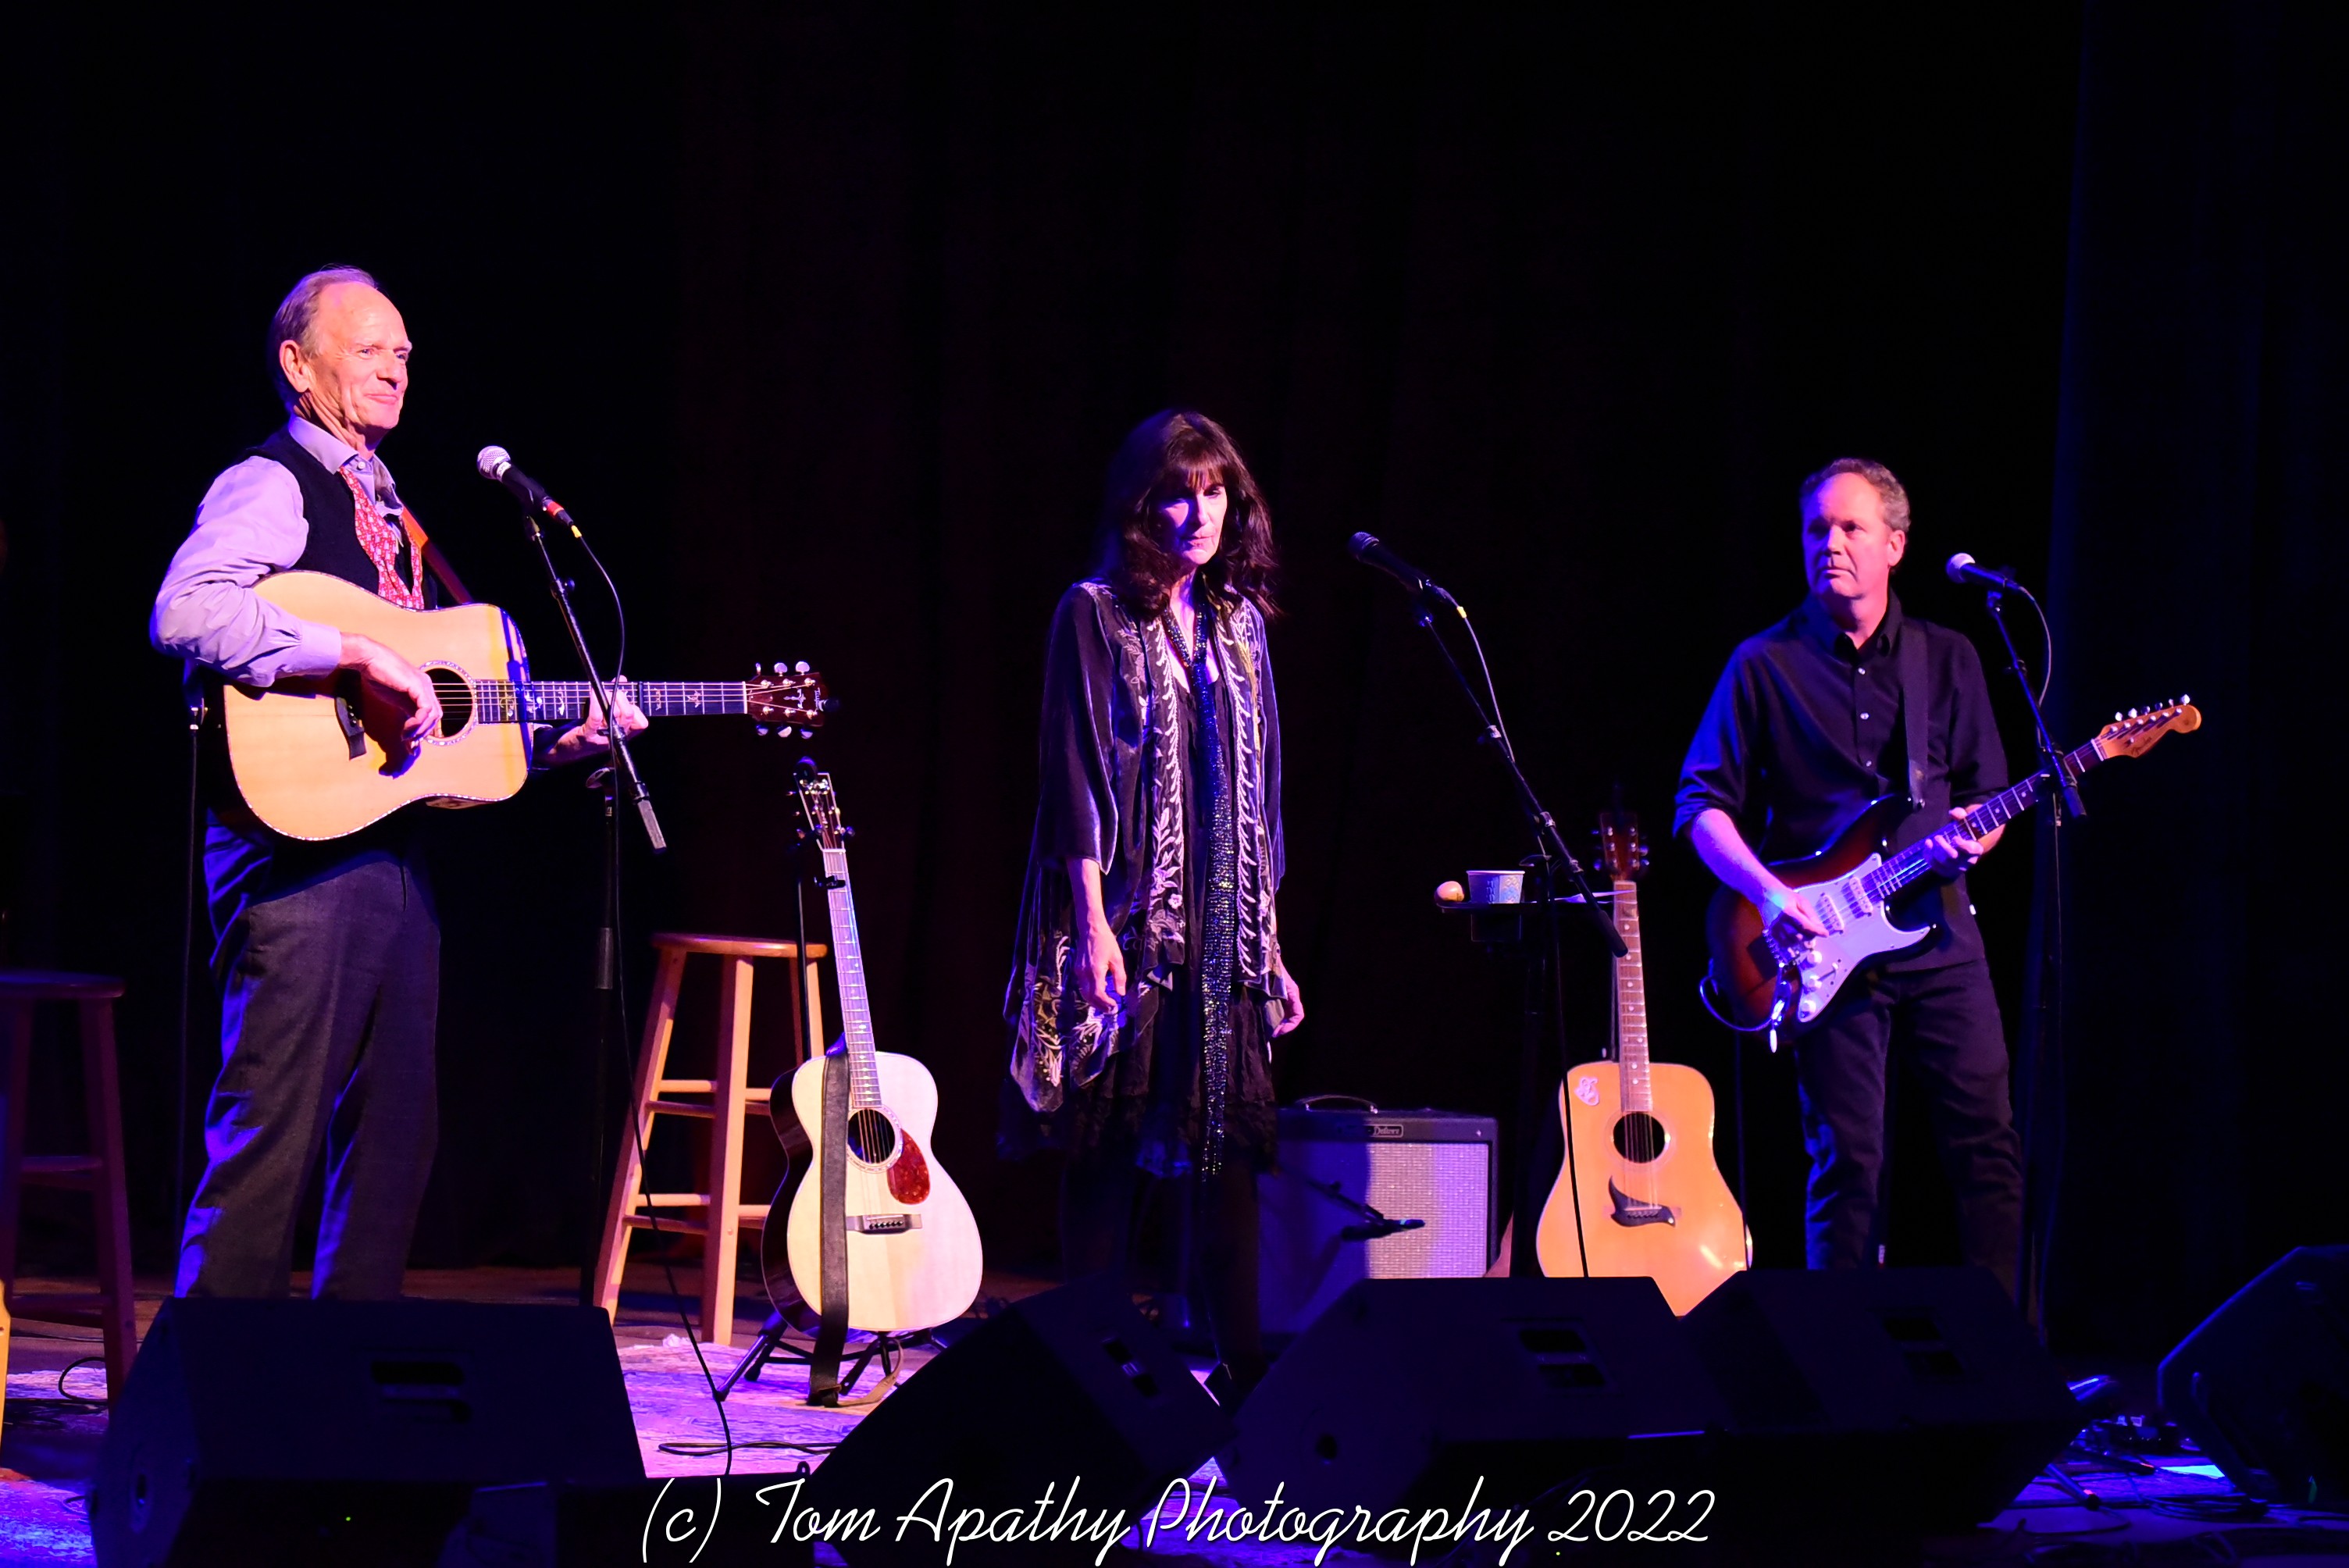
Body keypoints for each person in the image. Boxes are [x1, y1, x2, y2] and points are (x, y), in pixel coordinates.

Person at [151, 265, 644, 1299]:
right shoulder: (274, 481)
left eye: (404, 353)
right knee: (272, 1133)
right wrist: (351, 653)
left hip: (391, 856)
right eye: (368, 348)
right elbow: (188, 611)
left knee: (394, 1138)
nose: (395, 369)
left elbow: (433, 717)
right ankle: (211, 1376)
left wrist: (558, 740)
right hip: (292, 857)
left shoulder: (388, 501)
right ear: (298, 365)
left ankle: (346, 1369)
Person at [1001, 408, 1303, 1404]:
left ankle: (1247, 1384)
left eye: (1214, 492)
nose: (1197, 513)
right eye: (1177, 494)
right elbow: (1072, 775)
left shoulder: (1237, 624)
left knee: (1223, 1156)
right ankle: (1087, 1374)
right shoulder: (1093, 612)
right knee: (1108, 1149)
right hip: (1128, 917)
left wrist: (1268, 944)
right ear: (1141, 506)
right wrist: (1091, 923)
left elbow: (1262, 795)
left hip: (1223, 933)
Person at [1675, 457, 2024, 1292]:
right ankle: (1839, 1354)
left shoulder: (1948, 658)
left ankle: (2010, 1346)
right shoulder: (1762, 663)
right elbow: (1699, 806)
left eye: (1850, 527)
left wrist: (1976, 841)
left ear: (1894, 545)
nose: (1828, 544)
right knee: (1847, 1162)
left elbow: (1989, 797)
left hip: (1940, 936)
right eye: (1815, 529)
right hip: (1822, 946)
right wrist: (1770, 894)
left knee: (1987, 1147)